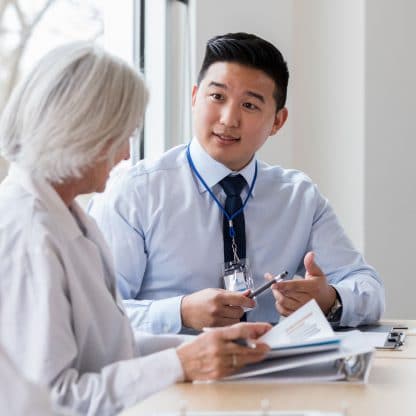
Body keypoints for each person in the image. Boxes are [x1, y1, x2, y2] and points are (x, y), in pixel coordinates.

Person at [0, 42, 271, 416]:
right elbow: (53, 402)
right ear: (82, 131)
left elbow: (110, 351)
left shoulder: (69, 217)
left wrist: (210, 348)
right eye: (122, 135)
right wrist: (181, 363)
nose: (127, 154)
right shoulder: (26, 235)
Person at [88, 32, 385, 335]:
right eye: (217, 97)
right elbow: (96, 312)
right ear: (194, 97)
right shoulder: (137, 191)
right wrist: (180, 312)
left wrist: (329, 299)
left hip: (275, 373)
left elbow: (368, 286)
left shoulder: (299, 198)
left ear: (278, 122)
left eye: (250, 105)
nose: (229, 119)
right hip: (175, 374)